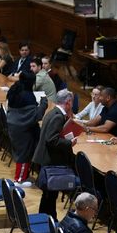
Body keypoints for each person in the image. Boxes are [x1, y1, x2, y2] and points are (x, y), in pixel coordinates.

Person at [33, 89, 77, 220]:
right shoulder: (58, 116)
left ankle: (46, 218)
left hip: (45, 159)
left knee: (48, 194)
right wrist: (69, 143)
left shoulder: (53, 112)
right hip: (50, 161)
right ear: (68, 102)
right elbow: (52, 139)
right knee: (50, 194)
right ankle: (50, 220)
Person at [5, 71, 47, 186]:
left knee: (21, 152)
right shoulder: (27, 95)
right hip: (23, 127)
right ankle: (19, 179)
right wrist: (43, 104)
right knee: (24, 153)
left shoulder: (14, 88)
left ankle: (24, 176)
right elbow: (36, 116)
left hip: (13, 124)